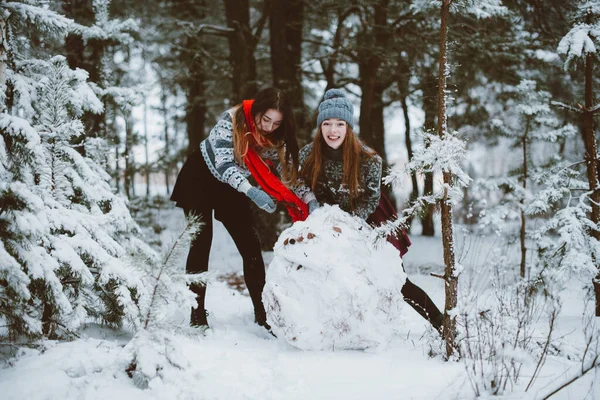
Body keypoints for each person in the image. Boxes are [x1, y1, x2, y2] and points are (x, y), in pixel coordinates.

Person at [294, 88, 444, 332]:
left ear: (348, 127)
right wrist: (311, 201)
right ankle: (332, 329)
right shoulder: (308, 155)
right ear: (320, 126)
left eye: (340, 124)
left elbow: (371, 199)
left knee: (397, 281)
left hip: (369, 221)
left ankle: (443, 325)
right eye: (327, 124)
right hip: (325, 219)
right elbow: (297, 182)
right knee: (326, 274)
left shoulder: (369, 159)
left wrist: (347, 226)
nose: (333, 130)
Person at [171, 87, 308, 331]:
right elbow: (224, 164)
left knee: (251, 244)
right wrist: (251, 191)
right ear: (256, 111)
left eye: (276, 123)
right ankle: (197, 313)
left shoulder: (275, 138)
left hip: (233, 188)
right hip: (200, 178)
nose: (269, 127)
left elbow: (287, 173)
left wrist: (307, 198)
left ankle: (261, 311)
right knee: (201, 244)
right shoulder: (231, 120)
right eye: (265, 119)